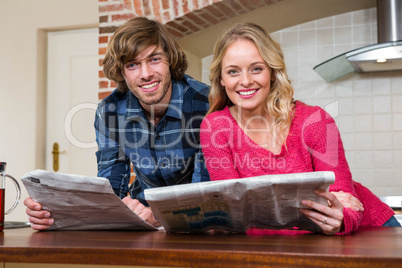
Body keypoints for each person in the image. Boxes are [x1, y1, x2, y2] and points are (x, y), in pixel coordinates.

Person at [199, 22, 400, 235]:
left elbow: (344, 201)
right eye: (233, 72)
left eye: (257, 68)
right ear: (221, 79)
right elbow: (235, 212)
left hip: (372, 230)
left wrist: (340, 217)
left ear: (273, 72)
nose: (246, 81)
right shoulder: (215, 127)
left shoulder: (316, 120)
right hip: (298, 241)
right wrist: (307, 205)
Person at [24, 17, 210, 230]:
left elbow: (205, 196)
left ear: (170, 60)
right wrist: (54, 214)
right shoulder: (110, 111)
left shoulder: (205, 103)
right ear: (122, 71)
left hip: (199, 226)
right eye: (132, 65)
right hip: (144, 220)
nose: (146, 74)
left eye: (154, 59)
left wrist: (160, 217)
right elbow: (112, 189)